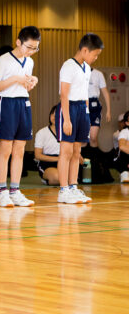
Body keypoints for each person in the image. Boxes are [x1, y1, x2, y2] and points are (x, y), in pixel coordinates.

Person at [0, 26, 40, 208]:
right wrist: (16, 79)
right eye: (28, 47)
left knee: (20, 149)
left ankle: (15, 189)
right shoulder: (3, 60)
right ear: (18, 42)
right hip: (7, 104)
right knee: (5, 149)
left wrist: (31, 81)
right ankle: (2, 192)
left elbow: (24, 85)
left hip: (24, 103)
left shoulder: (29, 62)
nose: (31, 52)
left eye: (35, 48)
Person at [56, 33, 103, 204]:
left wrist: (88, 116)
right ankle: (63, 190)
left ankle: (73, 186)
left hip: (83, 110)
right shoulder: (68, 66)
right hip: (69, 109)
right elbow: (64, 95)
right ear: (84, 50)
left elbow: (84, 95)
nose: (95, 58)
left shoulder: (86, 68)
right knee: (66, 151)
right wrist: (67, 119)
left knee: (77, 151)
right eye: (94, 54)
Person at [87, 68, 112, 153]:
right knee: (83, 139)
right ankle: (84, 165)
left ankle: (94, 163)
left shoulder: (98, 74)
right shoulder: (77, 72)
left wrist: (108, 111)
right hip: (81, 105)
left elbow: (105, 92)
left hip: (94, 106)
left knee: (93, 137)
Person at [34, 106, 60, 186]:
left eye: (58, 114)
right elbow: (37, 155)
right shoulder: (41, 133)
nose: (54, 117)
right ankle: (49, 179)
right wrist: (58, 159)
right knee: (57, 177)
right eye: (52, 114)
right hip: (48, 164)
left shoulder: (68, 131)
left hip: (64, 162)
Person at [112, 111, 129, 183]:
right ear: (127, 123)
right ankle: (124, 172)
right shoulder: (124, 132)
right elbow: (122, 147)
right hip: (122, 160)